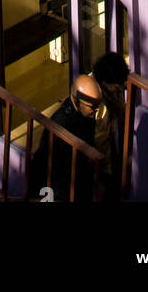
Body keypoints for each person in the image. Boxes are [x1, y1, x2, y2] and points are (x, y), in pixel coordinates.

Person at [28, 74, 102, 202]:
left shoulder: (86, 116)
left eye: (97, 105)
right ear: (77, 101)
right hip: (58, 187)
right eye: (92, 106)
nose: (96, 110)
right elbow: (50, 164)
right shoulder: (60, 124)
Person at [92, 51, 130, 199]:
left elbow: (121, 112)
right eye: (118, 87)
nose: (120, 89)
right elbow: (99, 142)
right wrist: (104, 175)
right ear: (106, 83)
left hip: (108, 149)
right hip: (100, 161)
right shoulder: (99, 106)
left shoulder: (112, 90)